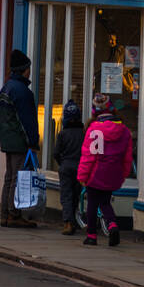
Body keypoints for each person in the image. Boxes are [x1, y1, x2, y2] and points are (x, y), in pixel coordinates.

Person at [77, 93, 133, 247]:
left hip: (96, 173)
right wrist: (124, 174)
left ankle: (91, 236)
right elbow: (127, 157)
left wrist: (82, 175)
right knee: (105, 202)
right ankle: (113, 225)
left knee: (92, 204)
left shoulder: (94, 130)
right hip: (113, 173)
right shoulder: (124, 131)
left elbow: (88, 156)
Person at [0, 49, 40, 227]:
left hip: (7, 139)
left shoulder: (6, 87)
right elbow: (27, 121)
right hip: (19, 141)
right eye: (28, 68)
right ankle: (14, 214)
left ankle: (5, 213)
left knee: (9, 177)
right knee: (17, 177)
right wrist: (33, 141)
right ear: (24, 69)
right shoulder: (23, 92)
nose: (30, 71)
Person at [53, 99, 85, 234]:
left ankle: (68, 222)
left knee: (66, 195)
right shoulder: (84, 133)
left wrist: (62, 163)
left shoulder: (62, 134)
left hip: (66, 167)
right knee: (76, 195)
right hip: (80, 167)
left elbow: (56, 153)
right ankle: (74, 220)